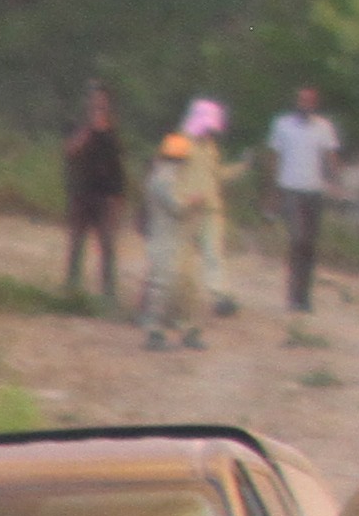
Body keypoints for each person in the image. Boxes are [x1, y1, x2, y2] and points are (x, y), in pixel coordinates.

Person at [267, 85, 343, 314]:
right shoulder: (283, 126)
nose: (305, 105)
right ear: (296, 103)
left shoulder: (324, 128)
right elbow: (274, 158)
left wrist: (337, 183)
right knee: (297, 239)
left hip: (314, 191)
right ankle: (293, 293)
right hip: (290, 189)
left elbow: (330, 157)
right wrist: (272, 191)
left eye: (309, 102)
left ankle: (304, 297)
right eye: (302, 101)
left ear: (315, 104)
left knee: (309, 245)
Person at [60, 87, 128, 306]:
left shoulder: (112, 131)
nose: (98, 107)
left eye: (102, 103)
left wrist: (119, 196)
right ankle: (72, 287)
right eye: (94, 102)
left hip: (106, 195)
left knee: (107, 245)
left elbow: (117, 165)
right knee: (77, 242)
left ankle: (109, 293)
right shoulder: (78, 126)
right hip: (81, 192)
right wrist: (89, 129)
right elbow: (70, 151)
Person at [137, 129, 199, 351]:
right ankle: (157, 332)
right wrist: (194, 202)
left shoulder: (159, 175)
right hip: (168, 240)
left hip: (166, 239)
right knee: (166, 287)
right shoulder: (166, 178)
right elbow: (177, 209)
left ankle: (176, 331)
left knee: (171, 286)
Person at [179, 99, 237, 318]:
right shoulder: (180, 142)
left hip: (210, 208)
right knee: (182, 255)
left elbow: (216, 174)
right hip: (187, 207)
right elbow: (167, 175)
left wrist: (242, 167)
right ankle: (177, 297)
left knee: (214, 253)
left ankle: (220, 296)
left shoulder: (210, 147)